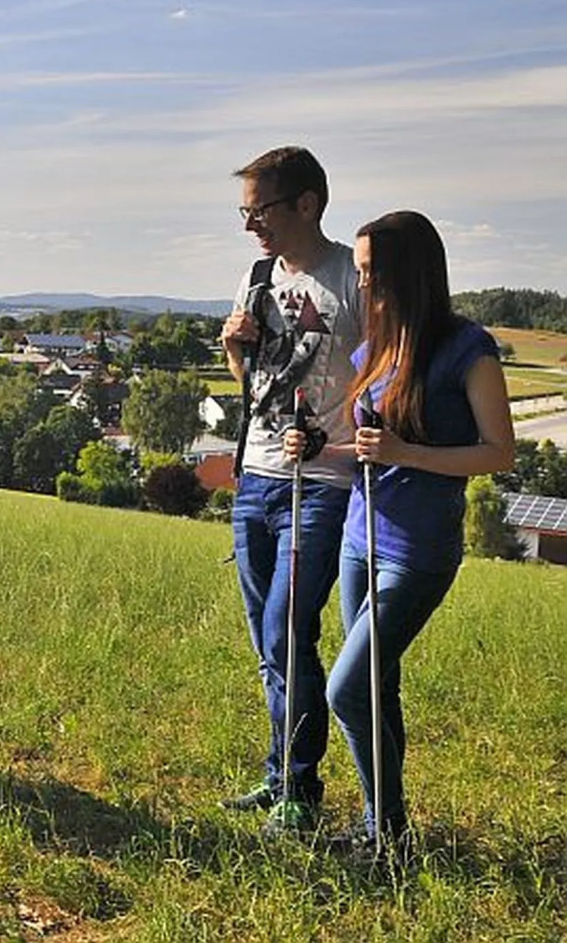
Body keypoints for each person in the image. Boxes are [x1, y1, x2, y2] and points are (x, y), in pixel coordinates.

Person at [286, 211, 513, 857]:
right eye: (357, 273)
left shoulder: (468, 349)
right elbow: (367, 453)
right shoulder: (376, 351)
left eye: (370, 274)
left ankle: (387, 832)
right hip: (360, 537)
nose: (361, 287)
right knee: (377, 689)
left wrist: (405, 453)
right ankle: (379, 829)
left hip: (416, 551)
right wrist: (318, 448)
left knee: (347, 687)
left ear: (408, 274)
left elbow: (498, 453)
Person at [218, 146, 365, 835]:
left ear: (306, 203)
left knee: (286, 632)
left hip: (322, 485)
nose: (251, 225)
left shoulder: (352, 279)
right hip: (255, 477)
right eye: (244, 212)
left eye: (259, 210)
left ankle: (301, 792)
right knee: (267, 641)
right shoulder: (256, 277)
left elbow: (383, 376)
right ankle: (280, 774)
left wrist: (345, 444)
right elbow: (255, 387)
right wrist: (232, 350)